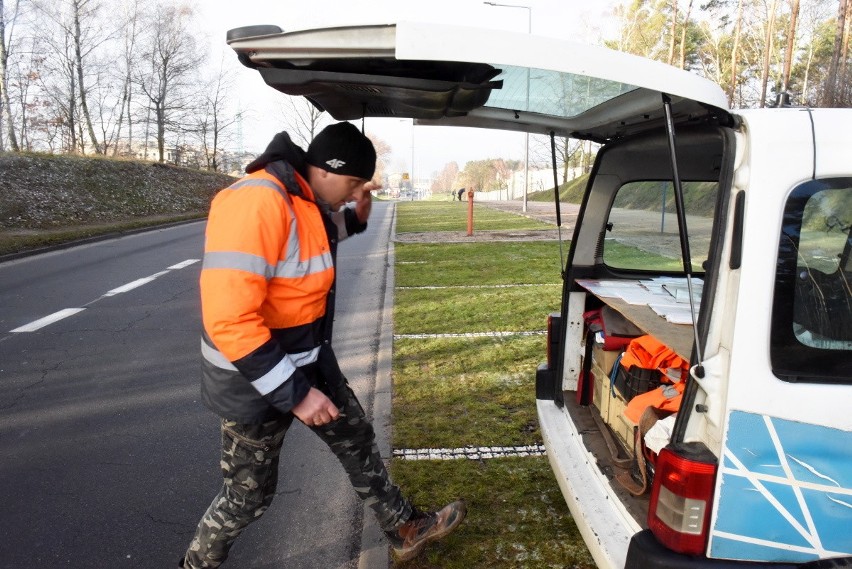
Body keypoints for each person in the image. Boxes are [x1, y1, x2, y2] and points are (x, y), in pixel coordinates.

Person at [180, 122, 466, 568]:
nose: (353, 194)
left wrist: (359, 215)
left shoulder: (303, 197)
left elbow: (314, 238)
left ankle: (404, 527)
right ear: (326, 169)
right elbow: (228, 319)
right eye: (352, 184)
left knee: (355, 438)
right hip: (255, 381)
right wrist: (295, 394)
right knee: (247, 499)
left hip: (310, 360)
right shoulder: (257, 201)